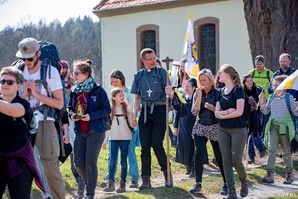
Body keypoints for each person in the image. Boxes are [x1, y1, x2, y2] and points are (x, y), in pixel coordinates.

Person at [16, 37, 65, 198]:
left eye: (30, 58)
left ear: (38, 54)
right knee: (21, 167)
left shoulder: (51, 72)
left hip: (45, 121)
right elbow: (12, 99)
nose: (27, 61)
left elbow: (59, 104)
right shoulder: (18, 72)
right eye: (23, 58)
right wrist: (23, 94)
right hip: (22, 123)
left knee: (50, 165)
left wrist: (36, 94)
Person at [0, 66, 45, 198]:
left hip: (21, 162)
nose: (5, 84)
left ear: (18, 85)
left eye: (9, 82)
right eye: (2, 81)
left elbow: (11, 110)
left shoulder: (23, 104)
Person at [131, 48, 173, 189]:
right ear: (143, 60)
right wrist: (134, 115)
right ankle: (146, 179)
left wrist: (170, 93)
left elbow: (170, 97)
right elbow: (137, 98)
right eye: (150, 59)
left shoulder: (162, 73)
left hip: (160, 110)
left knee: (156, 143)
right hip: (145, 113)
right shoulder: (138, 76)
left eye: (154, 58)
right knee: (145, 147)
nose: (153, 61)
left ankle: (167, 172)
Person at [69, 59, 111, 198]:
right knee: (78, 163)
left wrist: (91, 116)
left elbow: (106, 109)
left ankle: (90, 194)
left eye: (77, 73)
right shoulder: (74, 91)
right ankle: (90, 183)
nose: (74, 76)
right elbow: (70, 107)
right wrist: (72, 114)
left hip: (96, 131)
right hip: (80, 130)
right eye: (74, 73)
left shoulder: (98, 90)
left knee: (90, 163)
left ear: (86, 74)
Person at [189, 69, 227, 195]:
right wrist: (199, 97)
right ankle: (198, 183)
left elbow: (222, 112)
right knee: (199, 152)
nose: (202, 82)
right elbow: (194, 112)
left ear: (210, 80)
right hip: (200, 126)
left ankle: (227, 183)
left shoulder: (218, 93)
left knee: (219, 155)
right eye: (200, 80)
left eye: (204, 80)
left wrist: (213, 108)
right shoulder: (197, 93)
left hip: (214, 126)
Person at [214, 64, 248, 199]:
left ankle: (244, 180)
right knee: (226, 160)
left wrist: (224, 114)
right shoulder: (220, 91)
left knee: (236, 160)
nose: (219, 75)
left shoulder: (239, 90)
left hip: (238, 129)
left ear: (227, 74)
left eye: (220, 73)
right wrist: (228, 112)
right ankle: (231, 190)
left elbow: (239, 112)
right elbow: (216, 113)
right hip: (223, 129)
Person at [102, 69, 139, 188]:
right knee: (111, 155)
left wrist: (133, 121)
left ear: (121, 80)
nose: (114, 84)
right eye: (112, 82)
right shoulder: (111, 93)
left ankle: (134, 178)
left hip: (128, 127)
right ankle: (110, 178)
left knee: (130, 154)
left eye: (116, 81)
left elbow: (133, 108)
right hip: (114, 129)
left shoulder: (128, 92)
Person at [259, 75, 297, 184]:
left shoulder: (288, 97)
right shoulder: (271, 97)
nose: (273, 87)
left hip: (285, 127)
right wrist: (261, 103)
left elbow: (295, 112)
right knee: (272, 150)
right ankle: (269, 174)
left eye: (276, 85)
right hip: (273, 126)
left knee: (286, 151)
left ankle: (289, 175)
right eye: (273, 84)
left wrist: (297, 108)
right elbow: (266, 111)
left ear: (283, 85)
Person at [170, 78, 196, 177]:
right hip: (183, 125)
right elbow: (178, 113)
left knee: (192, 146)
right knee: (184, 146)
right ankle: (187, 167)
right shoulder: (182, 98)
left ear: (193, 88)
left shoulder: (196, 98)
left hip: (193, 125)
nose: (186, 88)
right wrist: (176, 126)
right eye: (185, 86)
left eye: (188, 86)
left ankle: (193, 168)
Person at [242, 75, 267, 164]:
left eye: (251, 81)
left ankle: (261, 149)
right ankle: (252, 156)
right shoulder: (242, 92)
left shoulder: (258, 90)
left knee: (254, 133)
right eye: (247, 81)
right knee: (248, 135)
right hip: (247, 115)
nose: (249, 83)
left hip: (257, 114)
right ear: (244, 83)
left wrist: (260, 101)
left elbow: (264, 102)